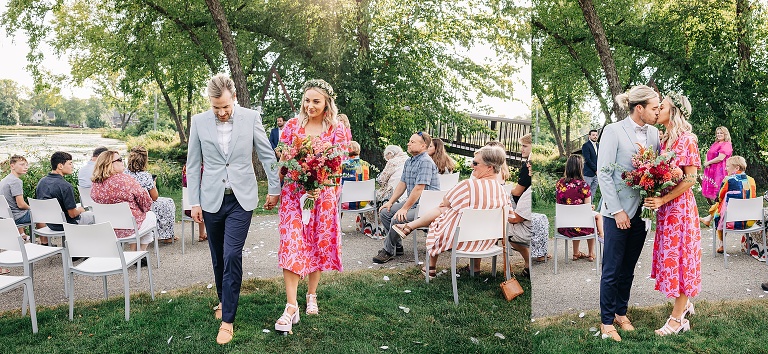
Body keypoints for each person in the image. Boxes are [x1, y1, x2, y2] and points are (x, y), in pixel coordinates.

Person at [186, 73, 280, 345]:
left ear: (234, 98)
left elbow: (266, 153)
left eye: (226, 107)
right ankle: (222, 300)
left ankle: (228, 320)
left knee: (231, 254)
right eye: (217, 108)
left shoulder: (250, 118)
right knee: (217, 256)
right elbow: (193, 165)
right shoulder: (199, 122)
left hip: (242, 198)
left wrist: (274, 188)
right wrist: (194, 202)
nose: (222, 112)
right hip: (211, 198)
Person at [275, 79, 349, 334]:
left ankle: (312, 295)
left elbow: (339, 167)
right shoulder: (292, 127)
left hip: (323, 197)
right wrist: (288, 166)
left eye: (316, 101)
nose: (310, 106)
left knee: (317, 243)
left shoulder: (337, 130)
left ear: (327, 103)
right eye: (307, 100)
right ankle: (291, 306)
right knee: (292, 244)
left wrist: (321, 185)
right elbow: (283, 163)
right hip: (294, 195)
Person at [596, 85, 660, 342]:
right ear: (639, 108)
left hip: (642, 214)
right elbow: (604, 173)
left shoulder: (654, 133)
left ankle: (621, 312)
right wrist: (617, 211)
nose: (657, 113)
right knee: (611, 268)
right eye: (654, 108)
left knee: (629, 267)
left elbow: (656, 169)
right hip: (616, 214)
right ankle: (606, 320)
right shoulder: (613, 131)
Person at [389, 146, 510, 277]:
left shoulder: (468, 185)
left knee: (441, 214)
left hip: (462, 241)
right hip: (487, 242)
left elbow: (445, 202)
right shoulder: (503, 190)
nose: (471, 165)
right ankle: (475, 268)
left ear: (489, 167)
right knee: (456, 212)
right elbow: (509, 215)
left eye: (475, 163)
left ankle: (429, 265)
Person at [643, 92, 701, 336]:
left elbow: (691, 179)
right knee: (671, 258)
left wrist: (663, 198)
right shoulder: (664, 141)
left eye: (662, 107)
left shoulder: (687, 139)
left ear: (674, 111)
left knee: (680, 260)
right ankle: (685, 304)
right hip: (667, 211)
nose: (657, 111)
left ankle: (678, 320)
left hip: (681, 211)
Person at [372, 131, 440, 264]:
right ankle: (397, 246)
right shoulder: (409, 161)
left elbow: (419, 188)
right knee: (385, 212)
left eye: (412, 142)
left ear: (423, 146)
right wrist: (390, 202)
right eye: (409, 141)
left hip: (426, 207)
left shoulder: (426, 162)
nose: (408, 144)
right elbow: (402, 184)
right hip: (414, 204)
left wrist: (404, 208)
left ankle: (388, 251)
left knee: (397, 218)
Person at [90, 150, 156, 252]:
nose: (123, 162)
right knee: (151, 216)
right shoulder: (126, 180)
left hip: (107, 228)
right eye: (119, 160)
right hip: (129, 228)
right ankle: (139, 252)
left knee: (140, 218)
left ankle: (135, 252)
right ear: (109, 164)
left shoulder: (95, 183)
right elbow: (146, 203)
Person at [35, 151, 96, 246]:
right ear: (60, 166)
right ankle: (82, 249)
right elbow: (72, 214)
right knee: (95, 217)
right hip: (66, 224)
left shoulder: (41, 182)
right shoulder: (65, 186)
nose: (72, 166)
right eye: (70, 163)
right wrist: (80, 210)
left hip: (51, 223)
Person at [124, 146, 177, 244]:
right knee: (168, 202)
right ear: (144, 160)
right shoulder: (146, 176)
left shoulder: (123, 174)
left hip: (127, 207)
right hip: (142, 207)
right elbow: (154, 197)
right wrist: (154, 184)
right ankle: (166, 235)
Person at [556, 154, 604, 262]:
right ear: (580, 168)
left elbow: (560, 201)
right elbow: (587, 209)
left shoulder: (559, 183)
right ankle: (591, 253)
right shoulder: (584, 185)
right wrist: (588, 207)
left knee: (575, 218)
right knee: (592, 220)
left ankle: (575, 253)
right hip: (582, 225)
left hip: (564, 226)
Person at [358, 145, 408, 238]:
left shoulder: (392, 162)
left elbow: (381, 179)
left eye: (386, 158)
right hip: (406, 195)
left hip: (393, 193)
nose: (386, 160)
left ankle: (375, 229)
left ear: (390, 154)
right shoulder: (408, 159)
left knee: (370, 200)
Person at [710, 156, 756, 254]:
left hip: (731, 221)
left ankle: (721, 244)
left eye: (728, 166)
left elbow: (720, 196)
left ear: (737, 168)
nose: (726, 169)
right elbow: (753, 196)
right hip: (748, 221)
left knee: (718, 213)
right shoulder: (752, 180)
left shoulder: (728, 180)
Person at [1, 155, 32, 236]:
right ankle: (45, 241)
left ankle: (22, 235)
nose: (25, 167)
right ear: (12, 166)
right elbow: (21, 205)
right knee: (40, 214)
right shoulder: (16, 181)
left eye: (26, 165)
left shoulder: (4, 180)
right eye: (22, 165)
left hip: (5, 216)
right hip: (16, 217)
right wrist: (31, 207)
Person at [701, 126, 733, 204]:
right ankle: (716, 209)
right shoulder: (716, 143)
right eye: (717, 133)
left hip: (720, 170)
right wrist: (706, 162)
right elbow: (708, 153)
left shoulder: (726, 144)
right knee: (713, 189)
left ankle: (720, 208)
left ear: (725, 134)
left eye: (721, 133)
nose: (719, 134)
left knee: (719, 189)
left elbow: (720, 158)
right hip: (711, 169)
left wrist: (709, 163)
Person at [340, 141, 370, 210]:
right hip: (362, 202)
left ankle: (338, 220)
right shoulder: (365, 165)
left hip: (345, 203)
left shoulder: (342, 165)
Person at [182, 164, 207, 242]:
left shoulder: (185, 168)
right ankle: (205, 234)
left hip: (187, 206)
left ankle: (201, 234)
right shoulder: (204, 168)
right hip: (199, 207)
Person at [581, 129, 599, 199]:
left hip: (596, 174)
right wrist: (596, 169)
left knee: (593, 193)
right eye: (593, 135)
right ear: (589, 136)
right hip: (588, 174)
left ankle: (590, 208)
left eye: (596, 135)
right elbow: (587, 159)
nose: (595, 136)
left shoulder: (598, 145)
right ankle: (583, 208)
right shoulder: (585, 145)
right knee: (585, 193)